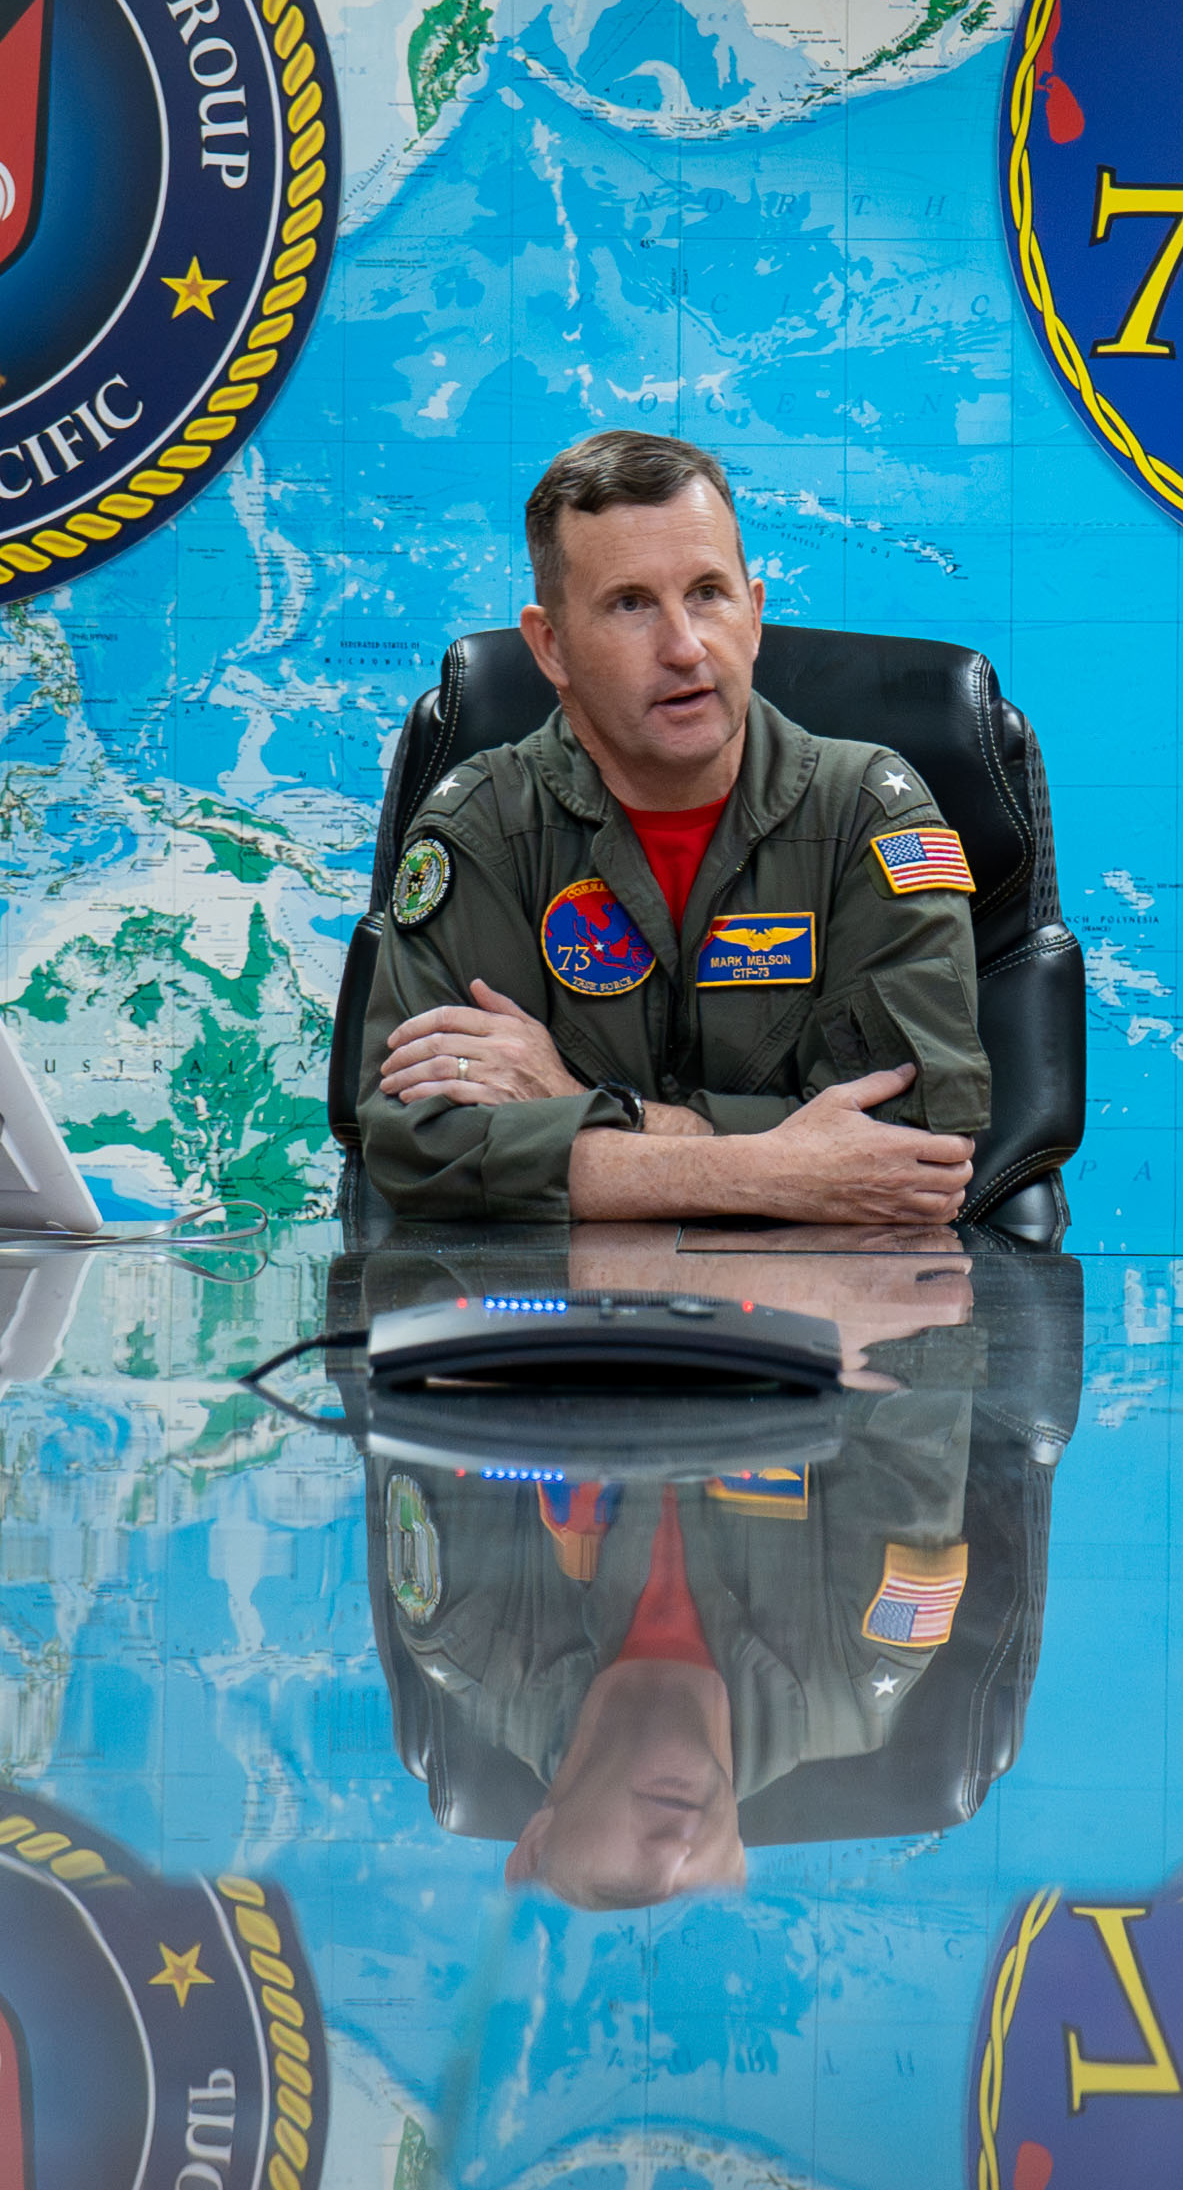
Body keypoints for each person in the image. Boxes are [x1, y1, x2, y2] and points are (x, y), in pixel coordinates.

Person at [357, 428, 985, 1225]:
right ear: (550, 646)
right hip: (556, 1327)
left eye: (708, 594)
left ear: (753, 614)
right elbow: (419, 1146)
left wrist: (585, 1108)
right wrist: (771, 1169)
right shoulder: (481, 827)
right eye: (630, 604)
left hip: (824, 1323)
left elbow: (914, 1148)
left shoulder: (867, 812)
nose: (685, 647)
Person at [360, 1232, 999, 1904]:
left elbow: (426, 1291)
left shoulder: (471, 1635)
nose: (673, 1853)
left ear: (534, 1847)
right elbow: (922, 1326)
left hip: (558, 1180)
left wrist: (752, 1312)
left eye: (622, 1885)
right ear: (742, 1869)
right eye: (700, 1890)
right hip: (819, 1209)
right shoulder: (856, 1663)